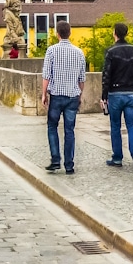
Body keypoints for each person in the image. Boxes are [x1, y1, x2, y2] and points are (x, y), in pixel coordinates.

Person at [41, 21, 86, 175]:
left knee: (52, 127)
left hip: (56, 96)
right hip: (73, 96)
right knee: (69, 130)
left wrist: (43, 94)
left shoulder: (51, 51)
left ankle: (55, 160)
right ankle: (69, 165)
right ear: (70, 33)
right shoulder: (79, 52)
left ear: (57, 34)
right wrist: (80, 95)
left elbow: (46, 75)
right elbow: (82, 79)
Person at [101, 22, 133, 171]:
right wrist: (132, 82)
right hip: (131, 93)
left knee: (115, 126)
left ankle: (117, 158)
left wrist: (104, 96)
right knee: (131, 125)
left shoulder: (111, 51)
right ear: (126, 33)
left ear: (114, 33)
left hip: (115, 93)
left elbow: (106, 76)